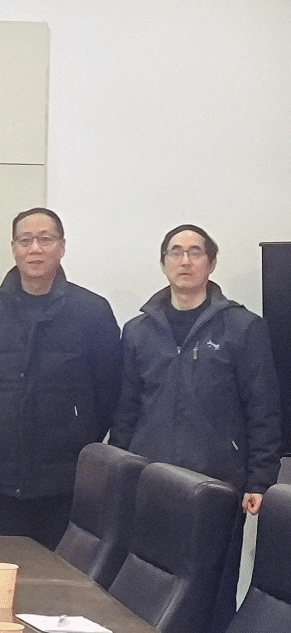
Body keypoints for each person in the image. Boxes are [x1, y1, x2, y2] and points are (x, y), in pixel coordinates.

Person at [111, 223, 281, 633]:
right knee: (148, 590)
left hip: (219, 483)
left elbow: (263, 407)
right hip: (152, 482)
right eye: (176, 252)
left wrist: (260, 479)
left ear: (211, 263)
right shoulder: (137, 331)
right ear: (163, 263)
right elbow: (126, 410)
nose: (185, 260)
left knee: (212, 592)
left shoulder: (243, 328)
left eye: (195, 252)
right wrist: (121, 472)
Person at [0, 207, 121, 550]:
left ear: (62, 246)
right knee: (1, 571)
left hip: (67, 481)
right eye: (25, 240)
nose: (35, 248)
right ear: (13, 248)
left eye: (45, 239)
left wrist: (78, 436)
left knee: (62, 576)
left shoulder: (92, 311)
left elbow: (110, 392)